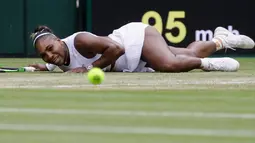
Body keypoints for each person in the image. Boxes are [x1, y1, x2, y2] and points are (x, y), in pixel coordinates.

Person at [29, 22, 254, 73]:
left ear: (59, 40)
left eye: (51, 48)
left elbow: (116, 49)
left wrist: (89, 70)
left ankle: (208, 65)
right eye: (44, 54)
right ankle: (221, 40)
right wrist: (44, 66)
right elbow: (58, 61)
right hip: (133, 61)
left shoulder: (80, 41)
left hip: (134, 38)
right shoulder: (55, 59)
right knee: (188, 52)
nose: (50, 55)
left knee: (168, 64)